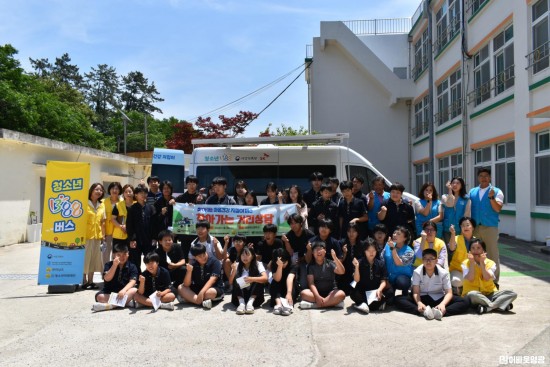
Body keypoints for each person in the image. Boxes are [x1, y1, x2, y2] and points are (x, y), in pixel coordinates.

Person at [395, 248, 470, 320]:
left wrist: (443, 304)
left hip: (438, 298)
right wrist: (419, 303)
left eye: (431, 258)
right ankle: (423, 311)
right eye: (425, 259)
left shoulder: (443, 273)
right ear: (422, 260)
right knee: (399, 299)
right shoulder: (417, 272)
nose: (428, 261)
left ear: (436, 261)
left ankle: (440, 312)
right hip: (421, 297)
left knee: (465, 302)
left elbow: (449, 293)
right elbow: (416, 292)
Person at [462, 239, 517, 314]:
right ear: (470, 251)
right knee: (472, 294)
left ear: (483, 251)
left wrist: (482, 263)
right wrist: (472, 263)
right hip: (474, 296)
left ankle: (488, 308)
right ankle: (498, 305)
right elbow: (470, 278)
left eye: (478, 248)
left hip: (489, 293)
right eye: (473, 248)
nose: (475, 251)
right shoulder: (465, 263)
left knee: (512, 293)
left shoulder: (491, 263)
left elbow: (487, 277)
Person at [469, 168, 504, 283]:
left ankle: (494, 282)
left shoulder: (497, 191)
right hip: (475, 228)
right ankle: (477, 280)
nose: (483, 178)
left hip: (490, 227)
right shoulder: (472, 192)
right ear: (478, 178)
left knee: (492, 254)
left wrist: (491, 197)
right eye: (481, 176)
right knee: (475, 255)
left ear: (490, 178)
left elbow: (497, 208)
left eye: (486, 176)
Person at [92, 243, 138, 312]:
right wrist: (114, 265)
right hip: (110, 292)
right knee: (99, 296)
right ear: (113, 255)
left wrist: (123, 290)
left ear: (128, 254)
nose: (122, 257)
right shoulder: (108, 265)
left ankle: (110, 306)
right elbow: (107, 278)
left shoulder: (132, 266)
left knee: (134, 290)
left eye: (124, 254)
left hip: (124, 293)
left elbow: (133, 281)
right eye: (119, 255)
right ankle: (126, 303)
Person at [299, 241, 346, 309]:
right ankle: (331, 303)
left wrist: (335, 258)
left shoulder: (330, 263)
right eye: (316, 249)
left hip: (331, 292)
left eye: (320, 249)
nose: (318, 251)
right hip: (316, 293)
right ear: (312, 252)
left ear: (325, 251)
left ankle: (316, 305)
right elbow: (311, 283)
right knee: (303, 293)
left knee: (341, 294)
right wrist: (317, 296)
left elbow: (342, 272)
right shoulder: (311, 266)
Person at [178, 243, 224, 309]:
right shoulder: (194, 264)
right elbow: (186, 284)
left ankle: (191, 300)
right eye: (200, 256)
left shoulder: (215, 262)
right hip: (198, 289)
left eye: (204, 254)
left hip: (213, 288)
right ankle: (199, 301)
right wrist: (189, 271)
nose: (203, 257)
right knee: (180, 287)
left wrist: (202, 292)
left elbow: (213, 279)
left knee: (210, 293)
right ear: (195, 257)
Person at [350, 239, 390, 314]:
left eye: (374, 250)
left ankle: (363, 304)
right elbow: (356, 280)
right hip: (363, 292)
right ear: (364, 251)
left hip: (375, 292)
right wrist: (357, 267)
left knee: (390, 291)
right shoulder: (359, 262)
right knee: (353, 291)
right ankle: (373, 305)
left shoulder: (380, 263)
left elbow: (383, 280)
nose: (371, 253)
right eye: (369, 250)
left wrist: (380, 289)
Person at [228, 246, 268, 314]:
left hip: (255, 298)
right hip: (239, 297)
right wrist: (234, 270)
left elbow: (265, 278)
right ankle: (242, 303)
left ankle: (250, 303)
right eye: (243, 255)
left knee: (259, 277)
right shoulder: (236, 265)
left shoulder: (258, 264)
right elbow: (230, 282)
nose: (244, 257)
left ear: (252, 256)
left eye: (247, 255)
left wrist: (252, 279)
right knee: (237, 277)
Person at [126, 185, 156, 272]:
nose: (143, 195)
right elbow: (129, 225)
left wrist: (154, 237)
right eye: (140, 193)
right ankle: (136, 277)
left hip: (148, 238)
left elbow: (154, 224)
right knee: (135, 260)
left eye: (145, 193)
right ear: (136, 195)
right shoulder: (132, 208)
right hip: (136, 239)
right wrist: (132, 239)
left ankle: (149, 276)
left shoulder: (151, 208)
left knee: (150, 258)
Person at [281, 213, 315, 289]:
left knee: (303, 285)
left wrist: (302, 259)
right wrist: (286, 241)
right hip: (293, 262)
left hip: (306, 261)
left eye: (295, 223)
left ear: (301, 223)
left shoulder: (309, 234)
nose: (293, 225)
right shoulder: (288, 235)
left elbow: (312, 253)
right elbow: (290, 252)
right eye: (291, 223)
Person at [83, 183, 106, 290]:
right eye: (96, 189)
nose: (98, 191)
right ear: (91, 190)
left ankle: (90, 281)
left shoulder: (102, 205)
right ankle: (83, 280)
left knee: (94, 259)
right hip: (86, 235)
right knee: (85, 258)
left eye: (101, 190)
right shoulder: (84, 203)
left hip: (97, 236)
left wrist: (103, 236)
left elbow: (103, 222)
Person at [383, 226, 414, 300]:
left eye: (398, 234)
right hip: (389, 277)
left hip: (402, 277)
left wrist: (393, 249)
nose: (394, 235)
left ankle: (405, 293)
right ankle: (392, 291)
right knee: (389, 301)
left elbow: (399, 263)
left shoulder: (409, 251)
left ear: (405, 238)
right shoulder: (388, 245)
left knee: (402, 283)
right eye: (394, 233)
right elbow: (382, 260)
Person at [447, 217, 477, 295]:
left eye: (467, 225)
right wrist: (453, 234)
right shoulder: (456, 238)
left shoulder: (477, 241)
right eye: (462, 225)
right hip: (457, 270)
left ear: (473, 227)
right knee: (456, 281)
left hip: (472, 270)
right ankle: (457, 292)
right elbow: (451, 248)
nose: (465, 227)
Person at [441, 177, 471, 244]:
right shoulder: (445, 197)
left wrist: (463, 230)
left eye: (457, 183)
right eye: (453, 183)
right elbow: (450, 204)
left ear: (462, 185)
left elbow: (467, 215)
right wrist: (450, 190)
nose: (455, 185)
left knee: (458, 251)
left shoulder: (466, 199)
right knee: (448, 251)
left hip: (459, 229)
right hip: (447, 229)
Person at [270, 248, 298, 316]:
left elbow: (290, 279)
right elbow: (277, 279)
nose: (283, 265)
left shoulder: (293, 266)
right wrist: (279, 267)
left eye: (284, 262)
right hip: (278, 287)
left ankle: (287, 305)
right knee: (274, 283)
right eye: (280, 263)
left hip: (289, 287)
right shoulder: (274, 265)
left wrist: (288, 293)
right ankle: (278, 304)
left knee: (292, 286)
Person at [339, 222, 363, 295]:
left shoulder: (362, 244)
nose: (351, 234)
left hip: (357, 272)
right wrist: (344, 253)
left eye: (354, 231)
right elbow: (339, 261)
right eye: (349, 231)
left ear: (357, 232)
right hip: (345, 273)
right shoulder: (341, 243)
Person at [103, 182, 122, 264]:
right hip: (106, 232)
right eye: (112, 188)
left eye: (117, 189)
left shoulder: (122, 202)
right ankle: (105, 272)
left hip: (118, 232)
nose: (115, 190)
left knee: (116, 254)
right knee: (105, 254)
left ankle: (115, 272)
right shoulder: (103, 202)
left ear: (120, 191)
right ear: (109, 190)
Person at [111, 184, 134, 249]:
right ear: (123, 194)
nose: (128, 193)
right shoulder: (118, 205)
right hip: (119, 235)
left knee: (131, 256)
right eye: (126, 192)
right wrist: (121, 226)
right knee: (118, 255)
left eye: (130, 191)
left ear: (133, 192)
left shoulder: (136, 204)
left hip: (133, 236)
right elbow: (113, 219)